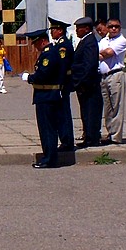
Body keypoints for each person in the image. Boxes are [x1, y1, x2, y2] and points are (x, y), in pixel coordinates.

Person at [21, 29, 64, 168]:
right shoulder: (47, 53)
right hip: (46, 96)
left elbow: (43, 75)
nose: (35, 47)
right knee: (46, 129)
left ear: (43, 41)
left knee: (48, 129)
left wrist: (29, 78)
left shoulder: (48, 55)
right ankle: (49, 157)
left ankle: (50, 159)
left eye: (36, 43)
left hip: (47, 97)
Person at [70, 16, 104, 148]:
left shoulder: (89, 42)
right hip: (84, 84)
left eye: (79, 28)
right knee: (86, 111)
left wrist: (79, 82)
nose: (77, 30)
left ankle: (92, 138)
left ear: (87, 29)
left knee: (91, 112)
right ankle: (89, 136)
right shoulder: (85, 40)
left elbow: (89, 65)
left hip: (89, 85)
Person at [48, 16, 75, 152]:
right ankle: (66, 139)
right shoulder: (59, 44)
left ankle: (67, 141)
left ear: (59, 30)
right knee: (61, 112)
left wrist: (58, 84)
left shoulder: (63, 45)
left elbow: (62, 67)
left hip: (63, 84)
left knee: (63, 113)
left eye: (53, 29)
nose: (51, 32)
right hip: (62, 83)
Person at [99, 17, 126, 144]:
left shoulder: (121, 40)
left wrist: (102, 54)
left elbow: (109, 53)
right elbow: (99, 54)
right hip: (104, 76)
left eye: (117, 26)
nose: (114, 29)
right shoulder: (104, 40)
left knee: (117, 106)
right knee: (108, 107)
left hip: (116, 75)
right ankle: (110, 132)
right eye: (111, 26)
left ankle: (116, 136)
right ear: (107, 27)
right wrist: (101, 53)